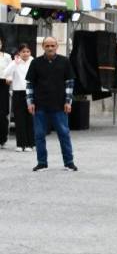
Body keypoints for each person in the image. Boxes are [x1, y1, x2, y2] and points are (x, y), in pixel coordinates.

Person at [26, 36, 77, 172]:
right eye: (47, 46)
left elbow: (69, 83)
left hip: (59, 105)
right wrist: (30, 102)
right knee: (39, 135)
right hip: (39, 105)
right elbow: (30, 84)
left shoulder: (65, 62)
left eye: (52, 45)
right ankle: (42, 163)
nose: (50, 48)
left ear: (57, 47)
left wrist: (68, 102)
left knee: (64, 134)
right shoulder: (35, 63)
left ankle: (69, 162)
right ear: (42, 47)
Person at [3, 43, 34, 151]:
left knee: (29, 118)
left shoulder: (33, 61)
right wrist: (14, 63)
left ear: (30, 52)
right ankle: (20, 144)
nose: (25, 54)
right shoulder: (15, 62)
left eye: (27, 51)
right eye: (23, 52)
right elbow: (6, 73)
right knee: (19, 119)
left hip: (30, 92)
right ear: (19, 53)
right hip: (17, 93)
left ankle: (30, 144)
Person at [0, 35, 9, 149]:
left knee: (2, 111)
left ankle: (2, 138)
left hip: (3, 84)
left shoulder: (6, 56)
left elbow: (10, 69)